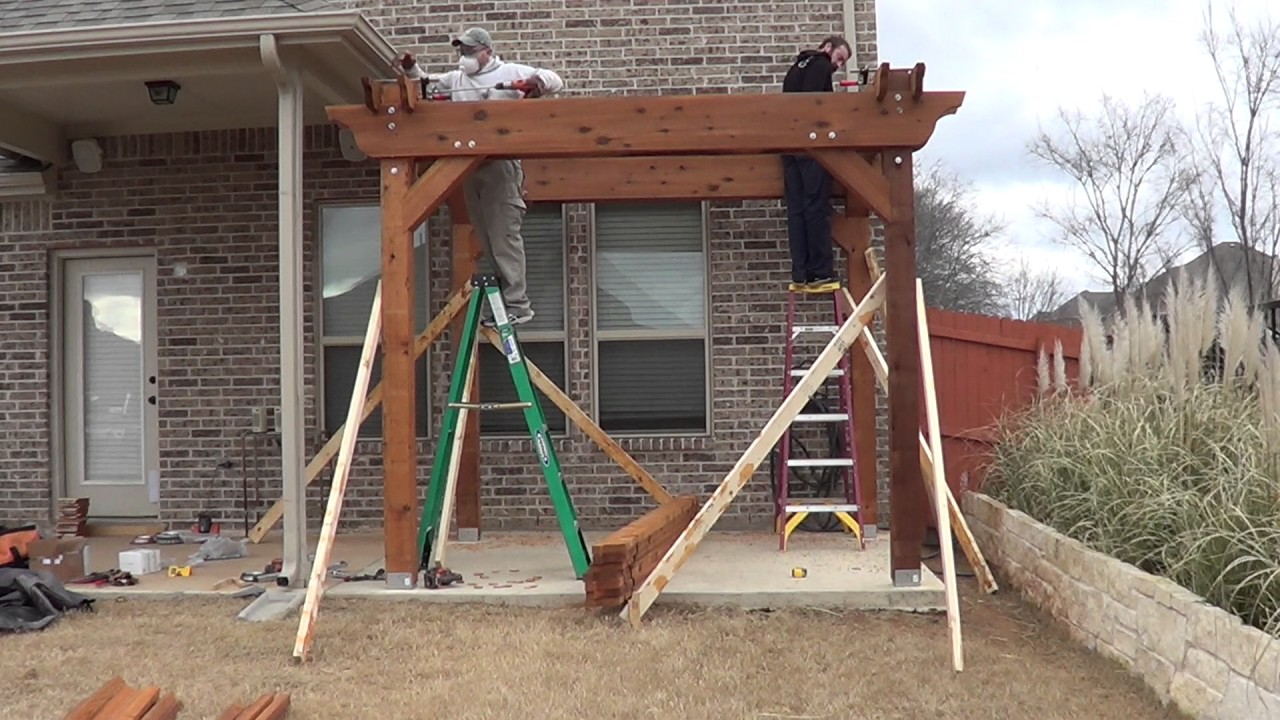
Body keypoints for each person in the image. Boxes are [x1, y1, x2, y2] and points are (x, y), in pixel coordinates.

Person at [395, 28, 564, 325]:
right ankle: (501, 305)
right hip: (469, 165)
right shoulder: (456, 79)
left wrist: (537, 82)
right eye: (462, 52)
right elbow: (424, 86)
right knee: (486, 238)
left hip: (501, 163)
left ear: (487, 51)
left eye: (471, 51)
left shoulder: (511, 71)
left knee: (503, 237)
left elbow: (554, 81)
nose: (465, 57)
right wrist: (410, 68)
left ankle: (518, 305)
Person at [781, 36, 852, 294]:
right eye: (840, 58)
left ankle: (800, 273)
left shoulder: (797, 67)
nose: (838, 66)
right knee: (816, 208)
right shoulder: (821, 65)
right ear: (828, 48)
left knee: (797, 210)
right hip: (810, 147)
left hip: (789, 146)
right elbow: (818, 105)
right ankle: (821, 272)